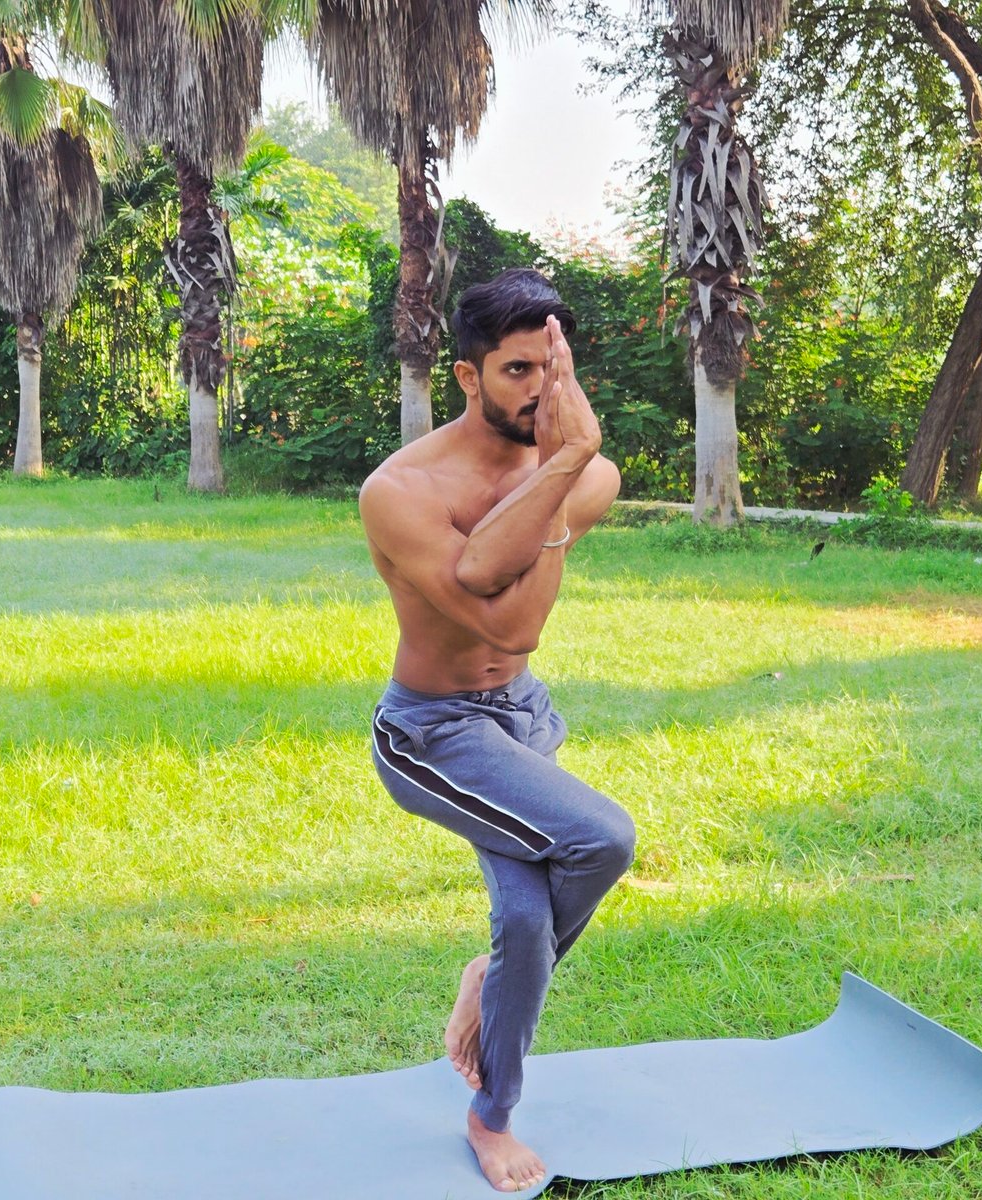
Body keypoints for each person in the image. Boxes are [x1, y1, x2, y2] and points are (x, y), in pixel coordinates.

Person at [358, 268, 636, 1193]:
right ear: (467, 376)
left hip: (521, 724)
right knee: (603, 837)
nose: (540, 392)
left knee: (524, 920)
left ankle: (490, 1110)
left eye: (553, 368)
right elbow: (504, 618)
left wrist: (561, 470)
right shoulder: (401, 489)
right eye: (518, 370)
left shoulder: (586, 471)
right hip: (434, 739)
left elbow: (512, 570)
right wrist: (561, 472)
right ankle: (491, 981)